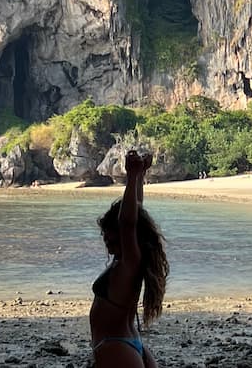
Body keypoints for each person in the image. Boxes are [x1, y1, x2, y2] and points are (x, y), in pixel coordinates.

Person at [90, 150, 168, 367]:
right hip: (128, 345)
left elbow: (129, 222)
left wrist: (132, 175)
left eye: (110, 234)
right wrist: (140, 176)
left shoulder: (129, 261)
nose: (105, 239)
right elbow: (137, 211)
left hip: (117, 347)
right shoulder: (128, 261)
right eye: (104, 234)